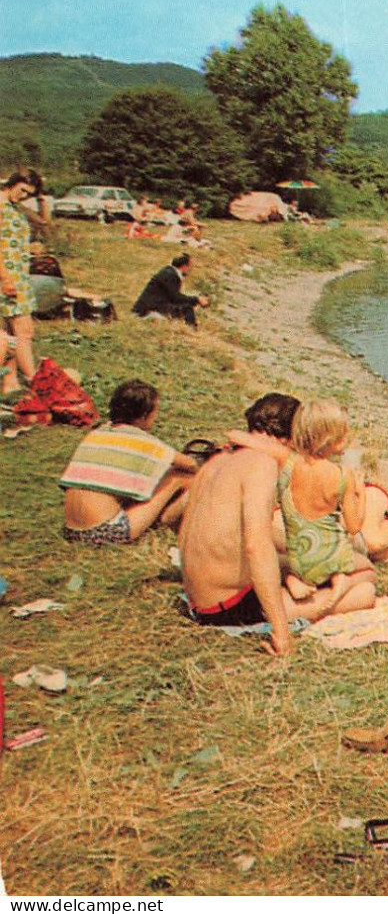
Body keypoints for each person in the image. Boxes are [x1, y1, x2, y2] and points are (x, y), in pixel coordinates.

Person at [179, 394, 366, 656]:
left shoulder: (217, 460)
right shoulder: (261, 465)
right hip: (225, 606)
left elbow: (183, 521)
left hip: (199, 593)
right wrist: (281, 630)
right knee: (364, 591)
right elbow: (257, 547)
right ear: (291, 437)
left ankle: (296, 581)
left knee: (338, 564)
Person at [59, 379, 198, 544]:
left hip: (71, 532)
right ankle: (171, 520)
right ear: (144, 414)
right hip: (105, 533)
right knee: (180, 477)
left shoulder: (98, 433)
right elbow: (189, 464)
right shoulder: (143, 441)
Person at [278, 399, 375, 607]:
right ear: (331, 439)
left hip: (298, 559)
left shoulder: (288, 464)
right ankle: (342, 581)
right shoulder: (342, 475)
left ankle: (292, 579)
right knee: (368, 571)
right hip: (328, 558)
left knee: (298, 556)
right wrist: (361, 493)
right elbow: (354, 526)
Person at [1, 172, 40, 396]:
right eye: (22, 190)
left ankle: (10, 380)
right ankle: (35, 381)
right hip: (8, 276)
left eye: (29, 194)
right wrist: (5, 278)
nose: (24, 196)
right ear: (13, 183)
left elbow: (43, 222)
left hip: (18, 274)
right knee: (24, 331)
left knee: (9, 333)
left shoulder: (12, 206)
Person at [133, 252, 209, 325]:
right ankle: (192, 331)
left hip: (149, 306)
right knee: (187, 309)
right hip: (148, 310)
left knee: (184, 306)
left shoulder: (169, 271)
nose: (191, 269)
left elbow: (173, 297)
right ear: (184, 266)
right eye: (190, 266)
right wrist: (197, 300)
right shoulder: (172, 276)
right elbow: (176, 298)